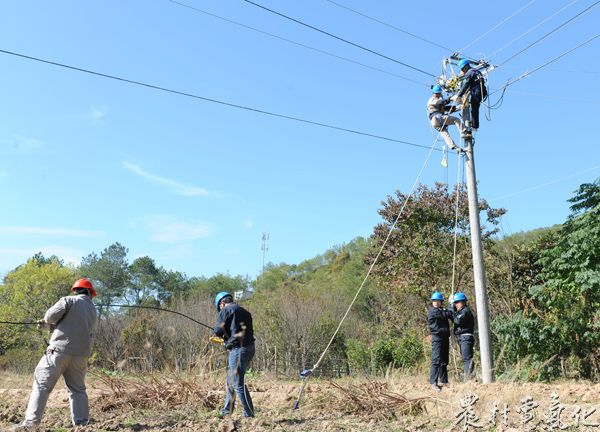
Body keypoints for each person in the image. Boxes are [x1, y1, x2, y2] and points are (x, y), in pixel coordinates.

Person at [13, 278, 98, 430]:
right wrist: (50, 328)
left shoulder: (68, 300)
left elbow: (49, 317)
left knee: (41, 386)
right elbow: (73, 328)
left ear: (75, 290)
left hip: (58, 352)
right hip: (80, 356)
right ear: (90, 293)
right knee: (78, 390)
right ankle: (81, 424)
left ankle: (30, 425)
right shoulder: (93, 310)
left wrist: (46, 323)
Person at [213, 291, 255, 418]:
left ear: (222, 303)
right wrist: (228, 340)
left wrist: (219, 334)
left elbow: (218, 330)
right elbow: (237, 331)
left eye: (219, 307)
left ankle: (249, 414)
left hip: (238, 351)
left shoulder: (225, 310)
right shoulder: (245, 312)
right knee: (231, 381)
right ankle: (227, 411)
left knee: (237, 383)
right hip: (249, 349)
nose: (220, 309)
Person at [427, 84, 469, 151]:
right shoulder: (432, 100)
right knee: (456, 120)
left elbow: (447, 108)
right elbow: (441, 102)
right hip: (437, 118)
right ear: (436, 93)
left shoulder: (437, 101)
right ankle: (464, 133)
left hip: (435, 122)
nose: (440, 95)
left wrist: (458, 107)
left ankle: (454, 147)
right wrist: (450, 99)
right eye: (439, 93)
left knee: (445, 133)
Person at [427, 291, 453, 392]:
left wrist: (451, 306)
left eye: (438, 301)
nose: (436, 303)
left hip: (445, 338)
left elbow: (450, 315)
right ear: (432, 302)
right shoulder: (433, 311)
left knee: (444, 361)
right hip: (437, 338)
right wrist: (451, 305)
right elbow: (446, 314)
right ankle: (433, 382)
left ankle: (444, 381)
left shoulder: (441, 310)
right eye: (435, 301)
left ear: (441, 302)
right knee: (436, 360)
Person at [456, 58, 488, 131]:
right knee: (475, 107)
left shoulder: (469, 72)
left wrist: (459, 95)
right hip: (483, 91)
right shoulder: (477, 71)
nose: (462, 70)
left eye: (463, 68)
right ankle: (474, 125)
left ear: (466, 66)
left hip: (476, 92)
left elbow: (466, 85)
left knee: (474, 109)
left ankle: (474, 127)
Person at [451, 292, 475, 381]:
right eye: (455, 303)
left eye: (457, 302)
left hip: (466, 337)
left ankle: (470, 379)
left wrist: (452, 309)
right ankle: (471, 377)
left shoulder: (465, 311)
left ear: (463, 302)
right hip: (462, 338)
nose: (456, 305)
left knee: (467, 359)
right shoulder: (460, 311)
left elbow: (457, 321)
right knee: (466, 358)